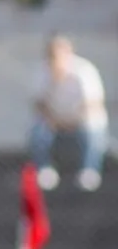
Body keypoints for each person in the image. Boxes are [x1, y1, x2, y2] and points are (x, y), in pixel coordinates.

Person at [29, 35, 108, 191]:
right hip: (55, 121)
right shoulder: (42, 71)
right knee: (38, 130)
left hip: (82, 120)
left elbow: (93, 103)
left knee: (94, 130)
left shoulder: (84, 70)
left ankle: (90, 171)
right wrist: (55, 119)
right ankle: (44, 170)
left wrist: (74, 120)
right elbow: (39, 103)